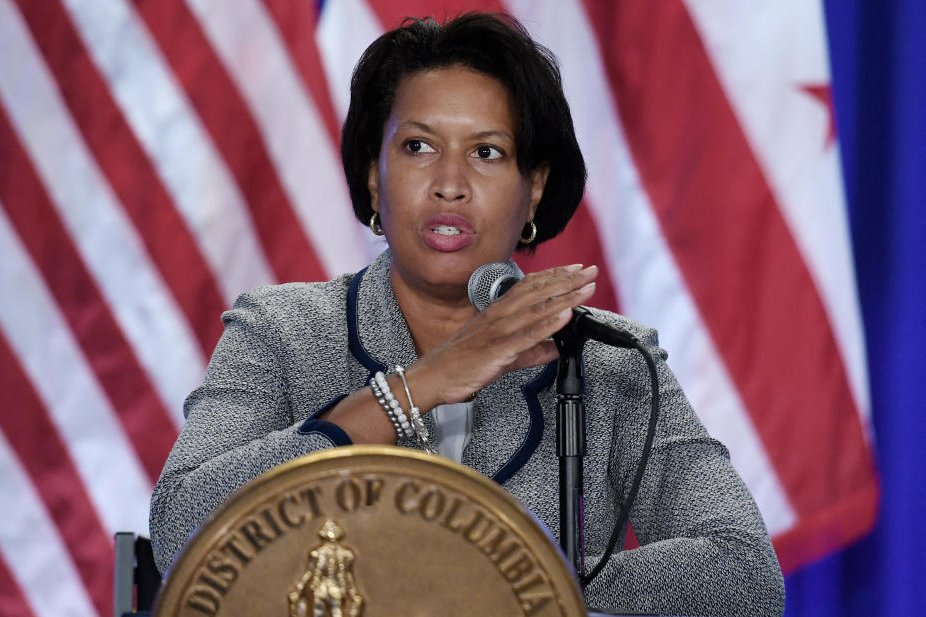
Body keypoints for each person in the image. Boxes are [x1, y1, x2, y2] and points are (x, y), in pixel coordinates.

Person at [149, 13, 785, 616]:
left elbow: (743, 573)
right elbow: (184, 530)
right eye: (419, 146)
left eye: (487, 153)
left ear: (533, 186)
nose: (449, 182)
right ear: (374, 176)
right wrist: (419, 386)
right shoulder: (282, 332)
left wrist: (493, 576)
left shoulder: (608, 360)